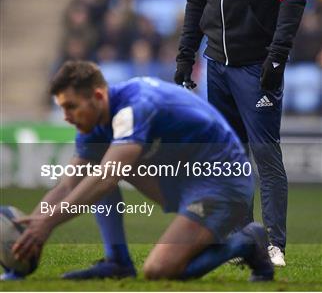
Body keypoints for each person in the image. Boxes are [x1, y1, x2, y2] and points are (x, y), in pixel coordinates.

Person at [10, 61, 273, 282]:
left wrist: (48, 223)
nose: (66, 116)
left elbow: (107, 177)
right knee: (99, 167)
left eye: (71, 106)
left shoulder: (137, 105)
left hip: (223, 181)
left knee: (159, 270)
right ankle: (118, 262)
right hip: (183, 178)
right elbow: (68, 186)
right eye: (62, 108)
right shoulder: (94, 125)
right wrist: (33, 227)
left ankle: (247, 241)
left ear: (98, 96)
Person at [174, 0, 311, 267]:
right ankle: (241, 242)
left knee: (266, 157)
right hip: (217, 65)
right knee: (229, 159)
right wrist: (186, 57)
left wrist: (276, 57)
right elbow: (197, 1)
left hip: (257, 67)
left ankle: (275, 245)